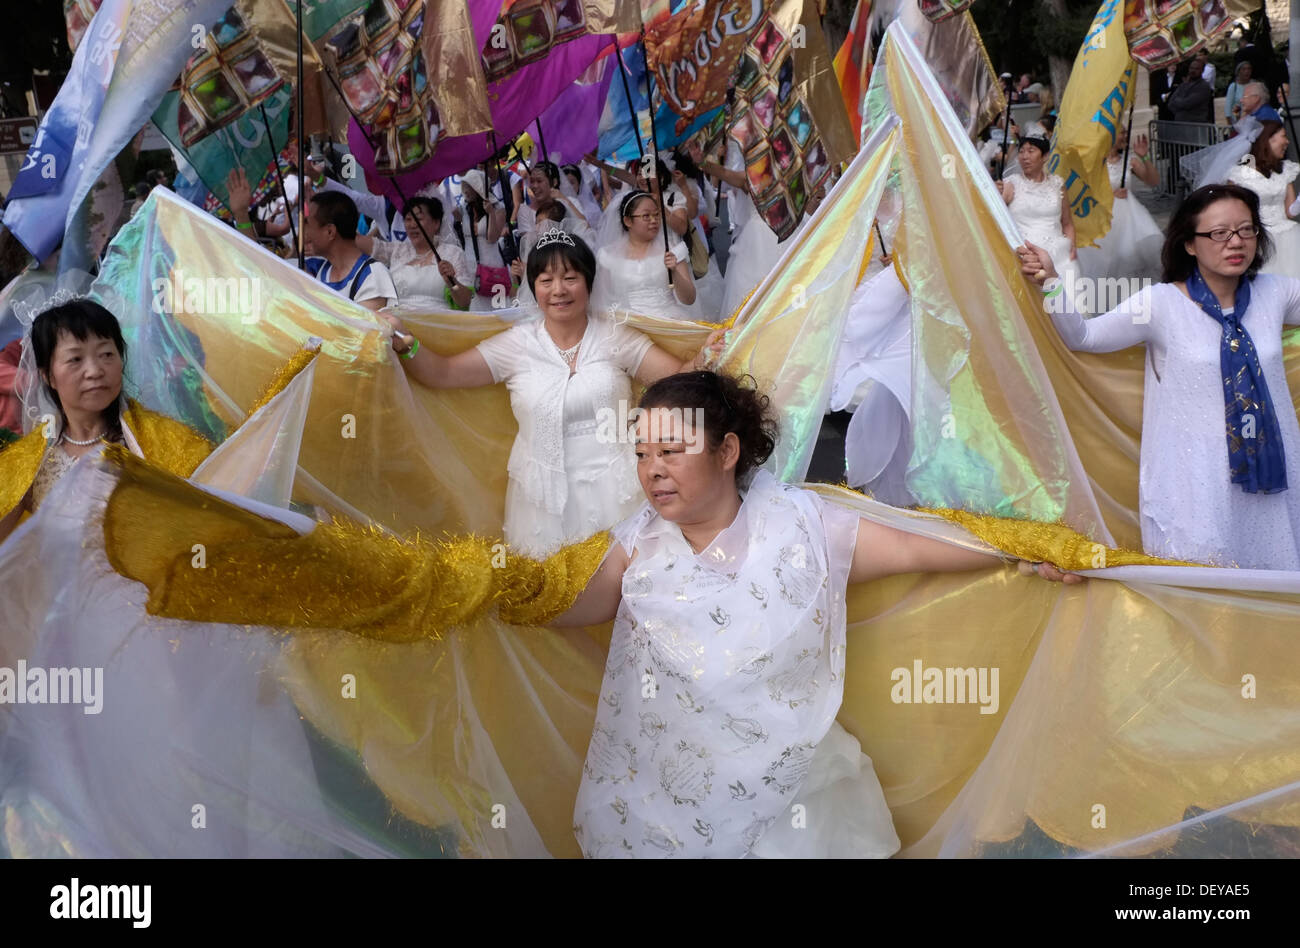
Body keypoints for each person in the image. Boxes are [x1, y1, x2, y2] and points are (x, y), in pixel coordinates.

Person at [556, 371, 1079, 858]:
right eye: (643, 453)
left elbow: (914, 549)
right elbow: (569, 602)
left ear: (727, 451)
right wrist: (490, 585)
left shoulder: (803, 527)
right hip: (661, 802)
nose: (653, 470)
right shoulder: (635, 545)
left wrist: (1029, 549)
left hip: (794, 794)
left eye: (671, 450)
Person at [380, 231, 721, 556]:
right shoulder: (516, 345)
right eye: (546, 280)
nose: (559, 290)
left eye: (570, 277)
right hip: (541, 503)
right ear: (534, 288)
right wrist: (405, 342)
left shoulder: (615, 335)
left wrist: (707, 355)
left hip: (621, 493)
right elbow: (443, 373)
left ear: (589, 282)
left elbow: (678, 379)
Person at [1018, 183, 1300, 569]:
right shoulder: (1160, 304)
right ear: (1189, 244)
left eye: (1245, 230)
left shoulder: (1276, 293)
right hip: (1195, 482)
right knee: (1205, 589)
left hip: (1272, 476)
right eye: (1219, 233)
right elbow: (1082, 337)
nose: (1235, 242)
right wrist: (1051, 282)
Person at [0, 299, 211, 546]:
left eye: (106, 354)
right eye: (75, 359)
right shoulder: (30, 460)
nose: (95, 370)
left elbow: (207, 520)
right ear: (48, 376)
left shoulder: (166, 441)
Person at [590, 191, 697, 319]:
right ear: (628, 221)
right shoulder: (607, 255)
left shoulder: (672, 249)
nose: (654, 220)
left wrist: (675, 272)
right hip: (627, 323)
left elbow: (689, 299)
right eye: (646, 216)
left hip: (667, 319)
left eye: (656, 215)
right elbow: (603, 299)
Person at [1076, 126, 1163, 284]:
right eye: (1121, 133)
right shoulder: (1093, 162)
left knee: (1129, 254)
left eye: (1125, 132)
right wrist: (1108, 195)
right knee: (1108, 259)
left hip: (1129, 216)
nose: (1125, 136)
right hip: (1103, 216)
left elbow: (1153, 181)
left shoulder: (1129, 161)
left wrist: (1144, 158)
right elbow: (1083, 191)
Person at [356, 196, 474, 310]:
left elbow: (465, 302)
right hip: (400, 324)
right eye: (408, 219)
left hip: (439, 324)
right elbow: (359, 242)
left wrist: (452, 282)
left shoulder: (453, 253)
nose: (412, 225)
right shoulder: (397, 250)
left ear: (436, 223)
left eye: (419, 219)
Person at [997, 124, 1077, 284]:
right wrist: (995, 193)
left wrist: (1072, 245)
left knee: (1067, 303)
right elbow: (994, 213)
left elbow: (1067, 223)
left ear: (1045, 155)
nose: (1025, 156)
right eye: (1021, 151)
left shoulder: (1057, 183)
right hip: (1027, 258)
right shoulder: (1011, 184)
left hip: (1061, 255)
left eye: (1031, 151)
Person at [1226, 120, 1300, 280]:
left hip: (1287, 236)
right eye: (1283, 136)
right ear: (1268, 139)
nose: (1287, 141)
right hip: (1258, 237)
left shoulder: (1285, 170)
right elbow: (1231, 211)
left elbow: (1289, 212)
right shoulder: (1239, 174)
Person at [301, 191, 398, 312]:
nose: (303, 230)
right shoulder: (316, 269)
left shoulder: (372, 275)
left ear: (330, 232)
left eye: (306, 223)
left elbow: (365, 329)